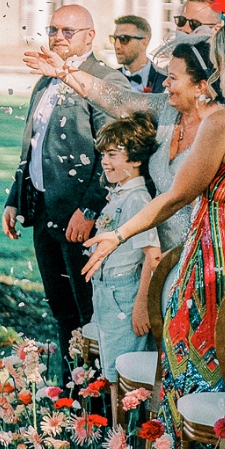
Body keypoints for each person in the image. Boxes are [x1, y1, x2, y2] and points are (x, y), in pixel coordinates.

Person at [84, 3, 225, 405]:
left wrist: (119, 233)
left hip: (212, 256)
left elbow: (177, 195)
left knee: (191, 369)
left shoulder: (224, 122)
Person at [24, 36, 215, 254]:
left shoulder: (220, 126)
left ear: (200, 86)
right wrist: (65, 73)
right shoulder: (166, 109)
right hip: (157, 248)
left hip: (203, 250)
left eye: (172, 77)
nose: (165, 83)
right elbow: (118, 100)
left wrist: (120, 234)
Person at [4, 4, 112, 370]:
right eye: (53, 30)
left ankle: (95, 405)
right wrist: (15, 199)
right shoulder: (45, 80)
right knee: (61, 311)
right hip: (43, 210)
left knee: (88, 313)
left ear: (89, 37)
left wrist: (90, 209)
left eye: (68, 31)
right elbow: (33, 144)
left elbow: (117, 152)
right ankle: (71, 395)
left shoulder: (105, 80)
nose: (58, 38)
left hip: (81, 217)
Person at [89, 114, 162, 419]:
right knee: (110, 373)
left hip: (126, 297)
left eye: (112, 155)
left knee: (123, 377)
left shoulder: (137, 201)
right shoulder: (119, 195)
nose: (104, 162)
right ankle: (114, 443)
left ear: (135, 161)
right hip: (107, 295)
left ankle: (125, 446)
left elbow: (152, 254)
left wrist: (142, 305)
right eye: (103, 155)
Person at [110, 14, 164, 94]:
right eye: (114, 39)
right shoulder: (109, 78)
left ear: (144, 42)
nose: (117, 46)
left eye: (124, 39)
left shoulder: (164, 80)